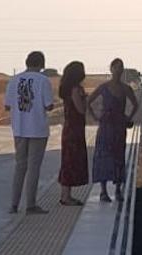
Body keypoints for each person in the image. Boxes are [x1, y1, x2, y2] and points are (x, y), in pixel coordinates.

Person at [4, 51, 54, 214]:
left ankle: (13, 204)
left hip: (19, 128)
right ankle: (31, 204)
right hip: (37, 129)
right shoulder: (43, 80)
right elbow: (49, 105)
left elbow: (7, 105)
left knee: (20, 167)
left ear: (26, 62)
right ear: (42, 64)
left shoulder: (14, 80)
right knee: (33, 168)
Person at [89, 58, 139, 202]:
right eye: (116, 67)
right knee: (104, 156)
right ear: (111, 69)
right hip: (106, 127)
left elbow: (135, 104)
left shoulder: (125, 88)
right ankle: (103, 192)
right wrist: (95, 117)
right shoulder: (103, 87)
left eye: (121, 68)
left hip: (119, 127)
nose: (118, 70)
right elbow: (89, 101)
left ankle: (118, 190)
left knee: (118, 156)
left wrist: (128, 117)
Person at [58, 61, 89, 206]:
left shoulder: (66, 89)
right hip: (75, 129)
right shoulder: (76, 90)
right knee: (71, 160)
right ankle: (66, 196)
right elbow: (81, 109)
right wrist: (85, 99)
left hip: (69, 128)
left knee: (67, 160)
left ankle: (66, 194)